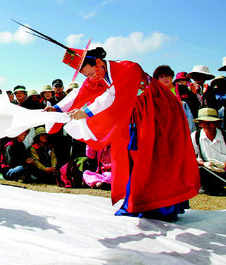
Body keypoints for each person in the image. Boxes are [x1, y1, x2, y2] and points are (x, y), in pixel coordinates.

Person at [47, 46, 199, 221]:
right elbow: (80, 93)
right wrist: (57, 109)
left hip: (161, 112)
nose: (91, 78)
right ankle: (139, 201)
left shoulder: (128, 68)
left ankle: (164, 206)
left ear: (98, 62)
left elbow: (112, 95)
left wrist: (87, 112)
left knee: (159, 156)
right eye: (87, 76)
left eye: (91, 73)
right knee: (136, 157)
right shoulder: (98, 75)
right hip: (137, 115)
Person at [190, 108, 226, 195]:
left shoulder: (224, 136)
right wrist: (204, 164)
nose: (207, 126)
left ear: (216, 124)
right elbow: (191, 157)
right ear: (199, 124)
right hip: (207, 171)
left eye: (210, 123)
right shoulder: (195, 136)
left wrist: (224, 164)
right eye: (203, 123)